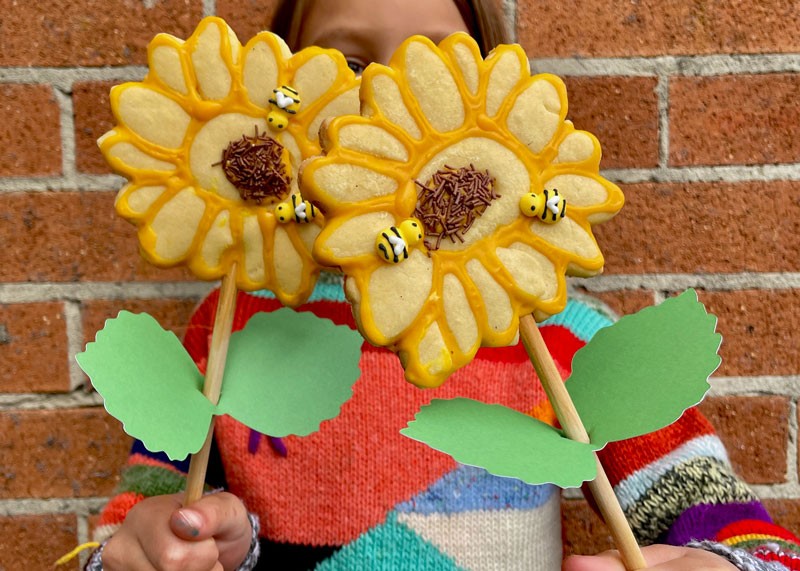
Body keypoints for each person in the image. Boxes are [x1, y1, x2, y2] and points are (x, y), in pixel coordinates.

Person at [89, 1, 800, 570]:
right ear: (284, 94)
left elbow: (755, 544)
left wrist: (718, 564)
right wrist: (172, 546)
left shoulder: (560, 341)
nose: (393, 98)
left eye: (435, 64)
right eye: (351, 62)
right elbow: (133, 525)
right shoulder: (229, 331)